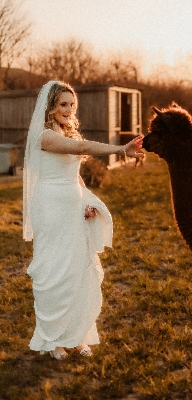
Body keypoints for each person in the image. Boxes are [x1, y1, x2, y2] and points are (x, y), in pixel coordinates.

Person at [23, 81, 144, 360]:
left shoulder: (68, 133)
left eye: (71, 105)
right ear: (51, 105)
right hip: (50, 209)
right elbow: (81, 147)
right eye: (63, 104)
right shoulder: (44, 136)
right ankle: (54, 340)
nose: (67, 110)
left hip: (72, 206)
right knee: (55, 272)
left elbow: (75, 177)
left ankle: (77, 336)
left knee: (78, 271)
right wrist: (120, 149)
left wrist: (86, 203)